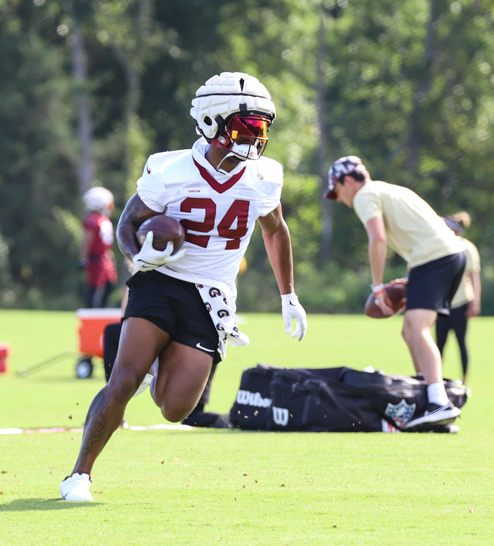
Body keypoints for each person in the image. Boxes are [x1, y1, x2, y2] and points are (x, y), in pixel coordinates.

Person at [61, 72, 308, 501]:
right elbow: (128, 224)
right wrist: (139, 256)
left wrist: (288, 295)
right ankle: (79, 475)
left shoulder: (264, 175)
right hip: (160, 282)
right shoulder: (170, 169)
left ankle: (156, 366)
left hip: (213, 297)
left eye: (262, 127)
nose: (256, 137)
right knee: (123, 379)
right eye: (246, 126)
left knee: (176, 408)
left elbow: (275, 231)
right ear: (212, 122)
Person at [325, 156, 465, 430]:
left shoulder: (365, 195)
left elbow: (378, 239)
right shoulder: (390, 189)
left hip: (435, 259)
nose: (339, 198)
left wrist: (377, 286)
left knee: (417, 329)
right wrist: (415, 277)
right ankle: (430, 402)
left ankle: (439, 403)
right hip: (444, 256)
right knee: (409, 330)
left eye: (337, 190)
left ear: (348, 180)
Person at [436, 212, 480, 384]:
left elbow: (473, 276)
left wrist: (475, 302)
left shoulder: (467, 248)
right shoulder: (440, 246)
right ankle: (435, 379)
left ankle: (465, 380)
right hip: (442, 302)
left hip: (461, 302)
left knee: (461, 342)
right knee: (439, 344)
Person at [80, 186, 118, 308]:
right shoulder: (93, 220)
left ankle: (101, 309)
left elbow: (106, 243)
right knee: (94, 287)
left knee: (109, 285)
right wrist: (83, 259)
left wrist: (110, 256)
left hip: (105, 258)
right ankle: (92, 310)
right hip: (95, 259)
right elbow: (87, 241)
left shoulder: (104, 219)